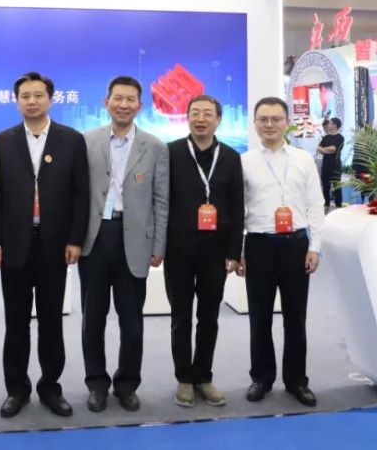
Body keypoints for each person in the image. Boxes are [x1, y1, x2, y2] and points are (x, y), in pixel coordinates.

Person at [0, 71, 89, 418]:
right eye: (25, 96)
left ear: (50, 99)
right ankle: (16, 389)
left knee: (51, 322)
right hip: (14, 245)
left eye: (38, 95)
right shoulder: (3, 140)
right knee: (15, 323)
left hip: (54, 246)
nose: (32, 101)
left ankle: (50, 388)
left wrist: (75, 239)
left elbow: (81, 195)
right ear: (16, 101)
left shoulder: (71, 139)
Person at [79, 77, 168, 413]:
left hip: (135, 241)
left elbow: (161, 200)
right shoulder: (86, 141)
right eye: (118, 98)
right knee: (93, 318)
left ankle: (127, 383)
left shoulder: (155, 147)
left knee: (132, 321)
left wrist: (159, 245)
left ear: (139, 106)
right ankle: (96, 383)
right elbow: (76, 194)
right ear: (106, 102)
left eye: (130, 100)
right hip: (95, 238)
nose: (123, 105)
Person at [240, 96, 325, 408]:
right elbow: (239, 209)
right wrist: (239, 250)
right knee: (259, 317)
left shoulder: (303, 159)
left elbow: (316, 204)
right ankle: (261, 378)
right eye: (263, 119)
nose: (270, 125)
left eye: (276, 119)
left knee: (295, 317)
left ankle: (297, 380)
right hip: (259, 244)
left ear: (287, 123)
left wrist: (315, 247)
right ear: (255, 124)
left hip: (295, 245)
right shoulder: (245, 161)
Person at [164, 94, 244, 408]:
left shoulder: (231, 157)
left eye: (207, 114)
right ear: (186, 117)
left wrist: (234, 251)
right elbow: (161, 201)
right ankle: (184, 378)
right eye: (195, 113)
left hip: (216, 252)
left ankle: (204, 376)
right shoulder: (170, 153)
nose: (200, 119)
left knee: (209, 317)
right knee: (181, 317)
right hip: (178, 250)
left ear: (218, 119)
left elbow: (237, 207)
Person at [317, 117, 344, 209]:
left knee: (337, 186)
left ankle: (338, 205)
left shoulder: (340, 138)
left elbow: (334, 149)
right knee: (325, 185)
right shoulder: (326, 137)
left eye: (330, 123)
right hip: (326, 165)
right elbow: (319, 148)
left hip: (335, 166)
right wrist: (326, 150)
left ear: (335, 125)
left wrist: (324, 149)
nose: (328, 125)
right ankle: (326, 204)